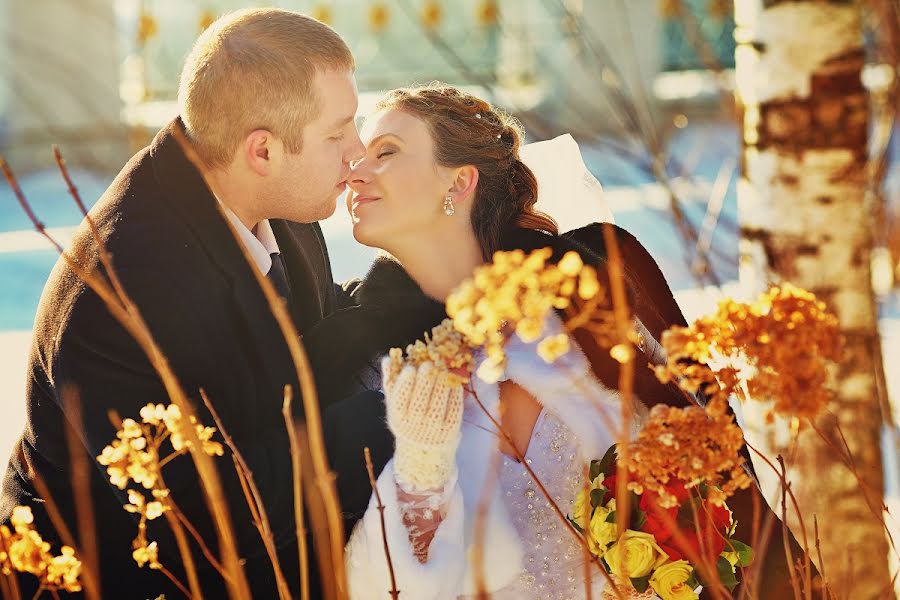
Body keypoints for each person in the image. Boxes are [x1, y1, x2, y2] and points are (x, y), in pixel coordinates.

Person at [304, 83, 810, 598]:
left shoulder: (586, 305)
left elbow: (717, 498)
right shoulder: (367, 363)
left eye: (385, 152)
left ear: (459, 182)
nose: (354, 172)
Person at [0, 8, 367, 597]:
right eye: (338, 131)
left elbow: (299, 341)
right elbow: (193, 506)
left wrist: (407, 308)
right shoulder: (121, 289)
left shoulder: (277, 197)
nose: (358, 151)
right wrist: (369, 431)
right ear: (263, 150)